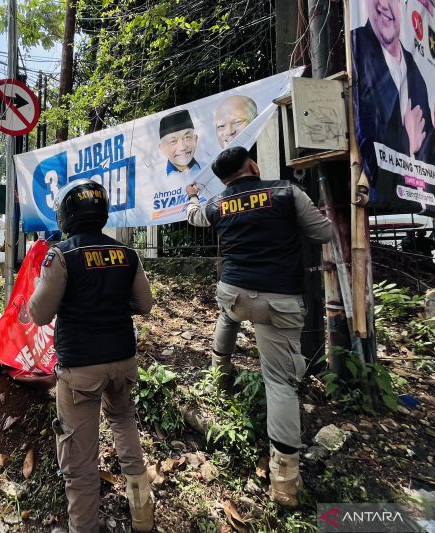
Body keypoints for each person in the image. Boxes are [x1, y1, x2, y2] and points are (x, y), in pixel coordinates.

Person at [185, 147, 333, 507]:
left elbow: (194, 217)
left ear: (223, 180)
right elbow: (323, 232)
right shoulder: (285, 192)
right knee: (280, 383)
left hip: (233, 291)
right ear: (252, 166)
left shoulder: (219, 204)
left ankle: (219, 371)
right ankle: (284, 480)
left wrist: (192, 197)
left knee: (227, 314)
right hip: (279, 300)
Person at [29, 179, 155, 533]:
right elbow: (144, 305)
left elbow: (40, 314)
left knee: (79, 458)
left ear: (66, 215)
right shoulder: (127, 253)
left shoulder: (61, 255)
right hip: (123, 360)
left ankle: (83, 527)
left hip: (81, 368)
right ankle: (143, 514)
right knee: (124, 422)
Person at [352, 0, 434, 187]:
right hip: (378, 207)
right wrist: (407, 143)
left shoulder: (415, 72)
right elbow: (364, 142)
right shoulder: (355, 53)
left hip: (417, 206)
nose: (383, 5)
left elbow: (430, 149)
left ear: (403, 4)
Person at [157, 109, 205, 186]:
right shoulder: (158, 181)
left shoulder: (209, 169)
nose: (182, 147)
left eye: (187, 137)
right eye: (173, 141)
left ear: (195, 139)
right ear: (162, 148)